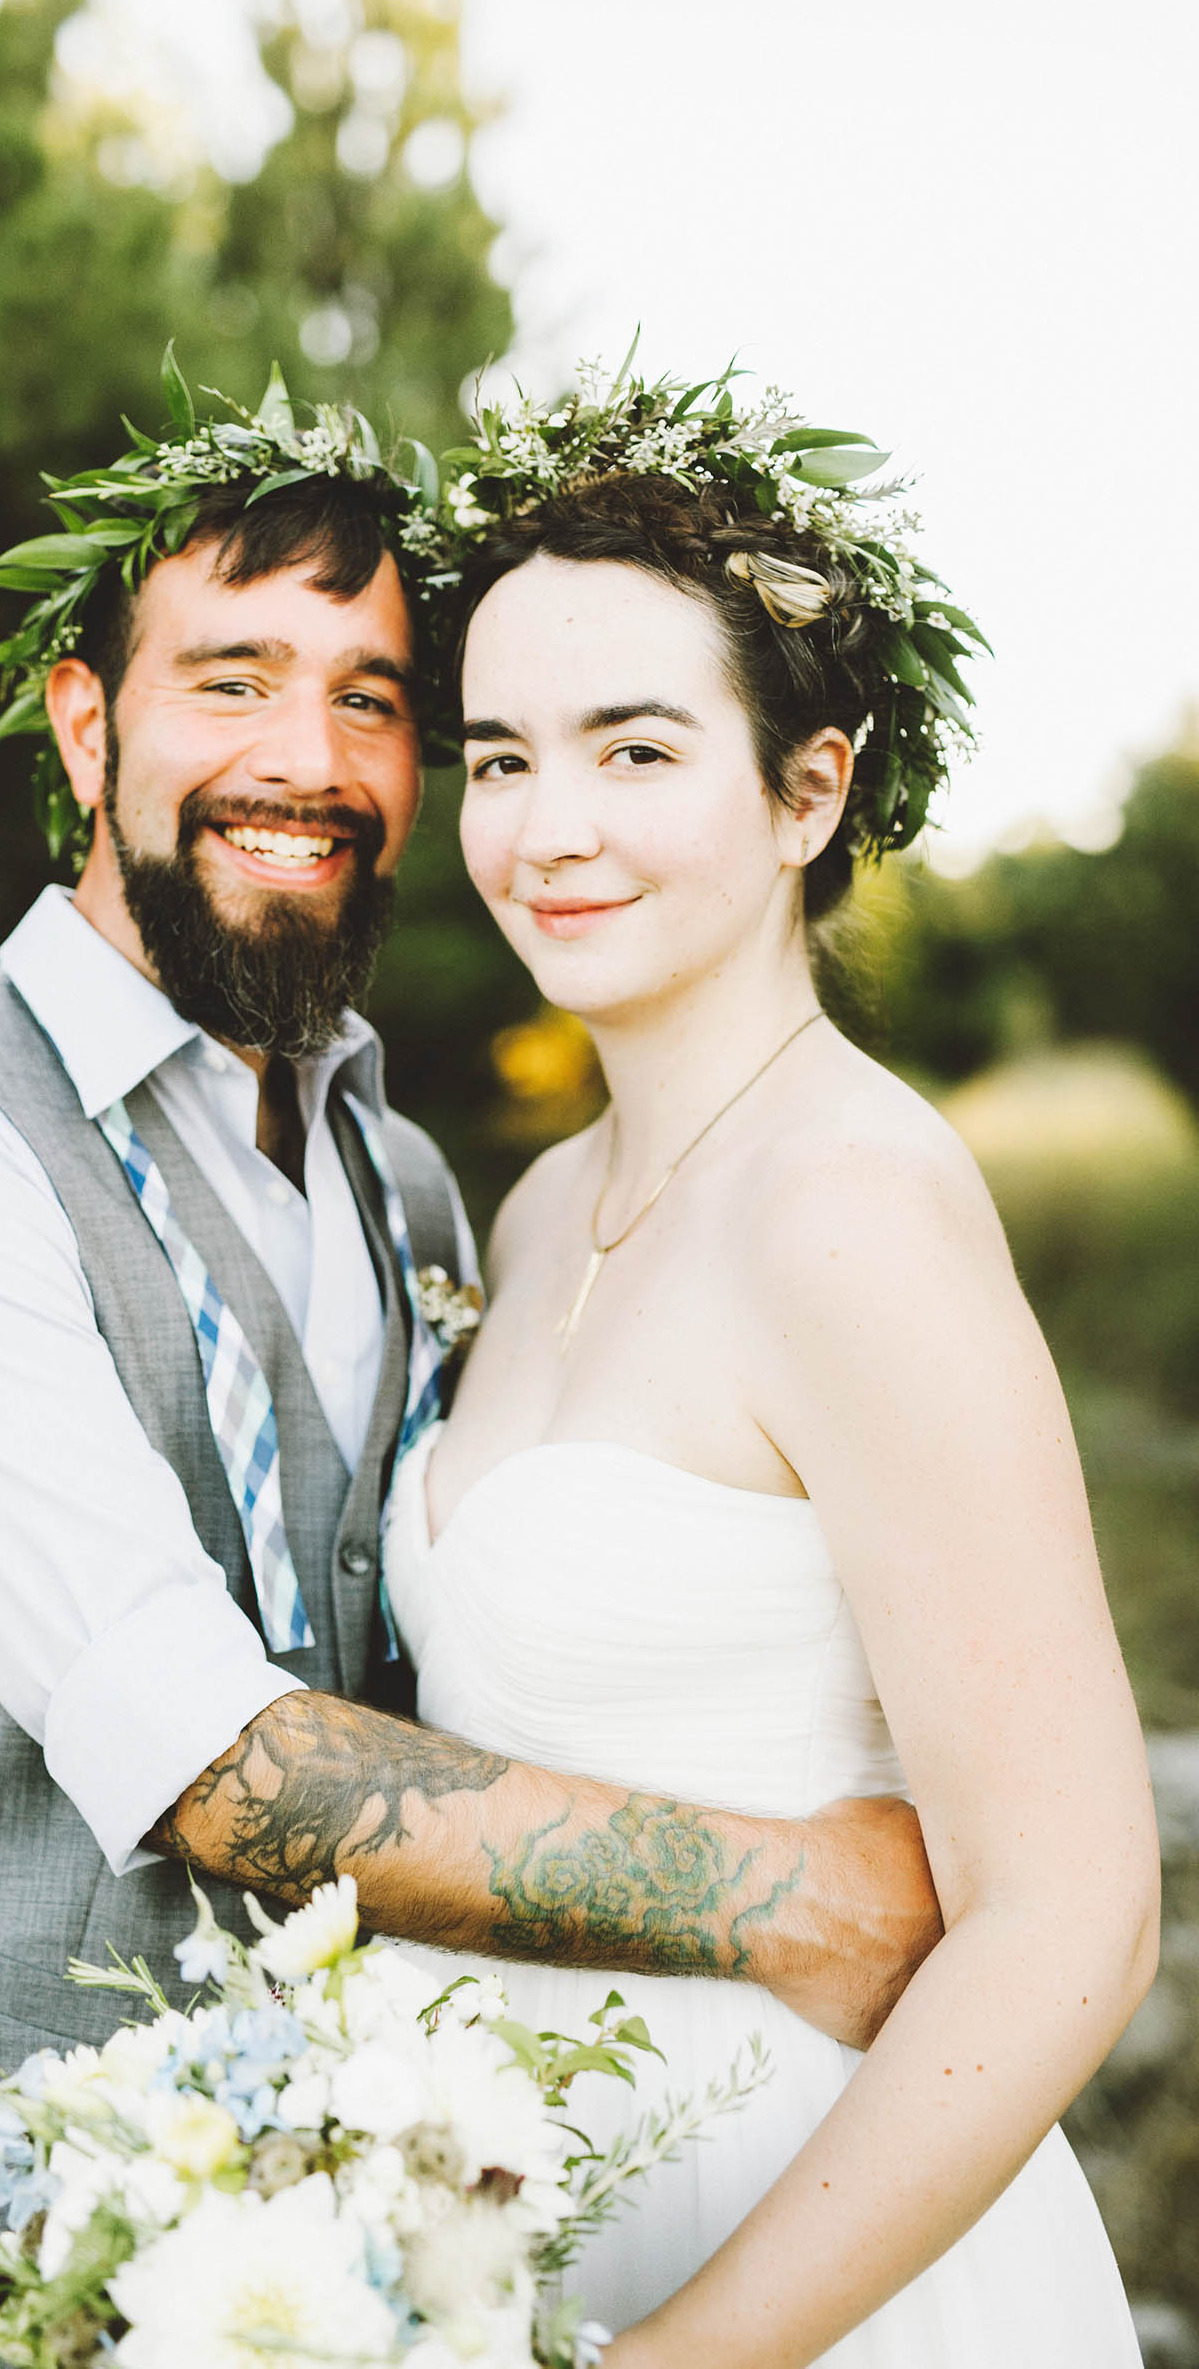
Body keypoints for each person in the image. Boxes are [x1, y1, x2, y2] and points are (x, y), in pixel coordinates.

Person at [0, 375, 939, 2365]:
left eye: (370, 698)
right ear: (86, 722)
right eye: (232, 678)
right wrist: (792, 1893)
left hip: (331, 2271)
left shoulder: (411, 1180)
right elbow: (221, 1768)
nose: (310, 758)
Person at [380, 366, 1160, 2365]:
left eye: (632, 751)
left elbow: (1066, 1918)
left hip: (799, 2251)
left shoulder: (850, 1205)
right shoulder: (539, 1203)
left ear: (805, 789)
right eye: (494, 759)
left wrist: (682, 2358)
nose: (544, 831)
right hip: (508, 2214)